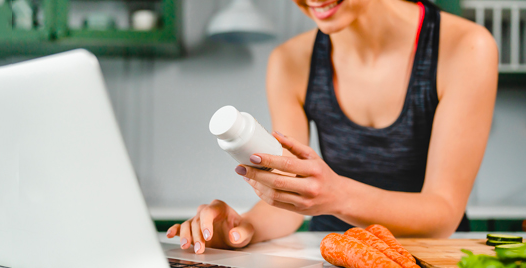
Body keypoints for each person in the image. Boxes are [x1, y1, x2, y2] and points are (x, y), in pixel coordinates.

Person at [167, 0, 498, 254]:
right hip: (328, 251)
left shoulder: (465, 47)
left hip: (429, 253)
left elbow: (442, 213)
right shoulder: (290, 61)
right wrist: (241, 227)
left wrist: (336, 196)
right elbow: (291, 201)